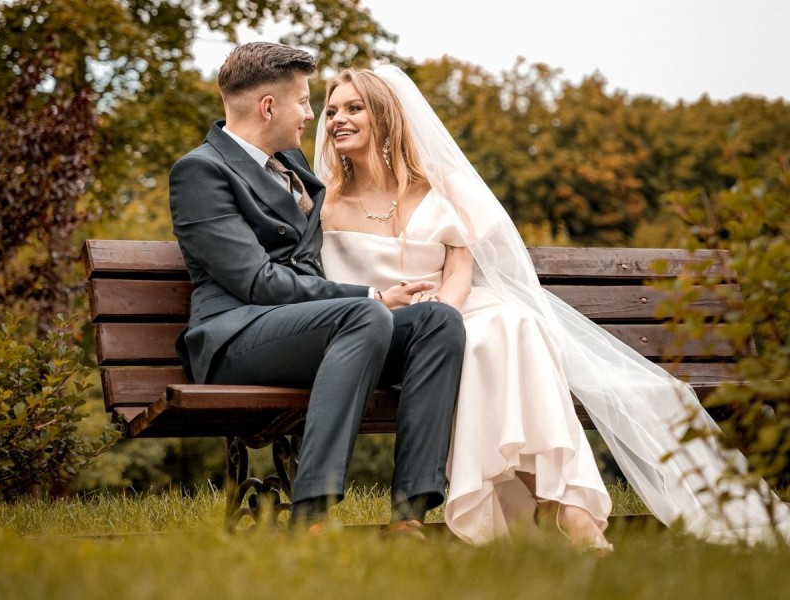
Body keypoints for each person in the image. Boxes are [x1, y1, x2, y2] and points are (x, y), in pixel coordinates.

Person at [314, 65, 790, 548]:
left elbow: (459, 270)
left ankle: (567, 503)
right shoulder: (323, 201)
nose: (337, 120)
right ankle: (556, 501)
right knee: (486, 342)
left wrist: (444, 312)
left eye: (354, 108)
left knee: (514, 323)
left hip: (453, 310)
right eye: (331, 112)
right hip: (383, 330)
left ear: (386, 117)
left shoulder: (443, 186)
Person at [168, 43, 466, 538]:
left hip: (305, 333)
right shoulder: (201, 171)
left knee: (438, 321)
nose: (312, 116)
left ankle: (409, 512)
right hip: (233, 339)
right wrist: (370, 296)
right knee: (366, 314)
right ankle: (313, 512)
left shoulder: (290, 162)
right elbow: (255, 281)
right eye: (305, 102)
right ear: (268, 107)